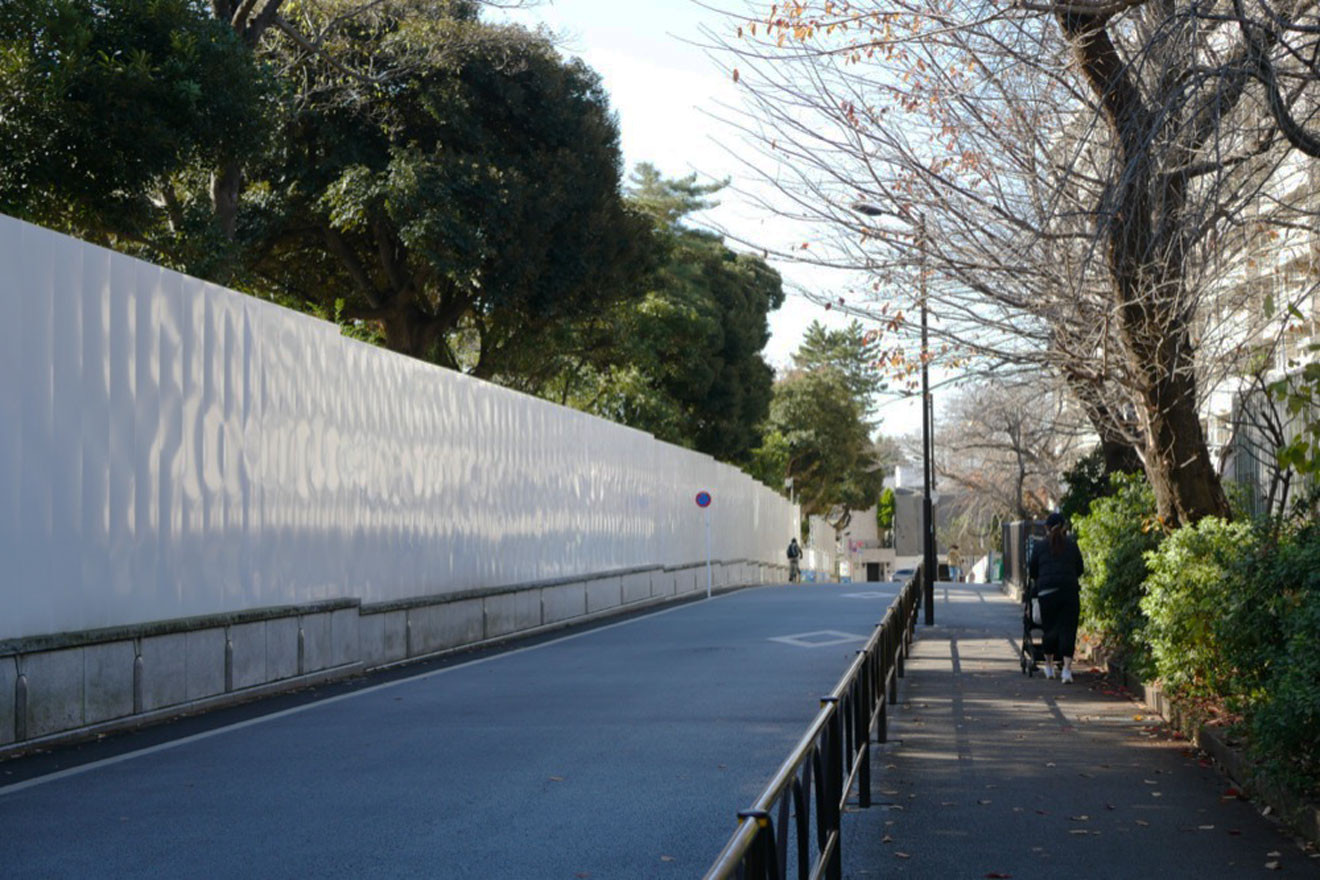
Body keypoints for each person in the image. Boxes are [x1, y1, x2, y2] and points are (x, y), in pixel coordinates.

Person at [1027, 512, 1085, 683]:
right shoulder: (1072, 545)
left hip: (1047, 593)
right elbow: (1080, 569)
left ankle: (1049, 666)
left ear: (1046, 528)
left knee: (1049, 629)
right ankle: (1066, 670)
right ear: (1064, 527)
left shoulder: (1040, 546)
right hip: (1069, 592)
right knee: (1068, 630)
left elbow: (1033, 571)